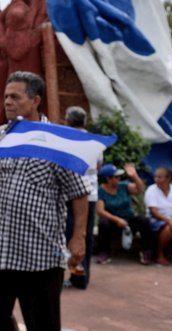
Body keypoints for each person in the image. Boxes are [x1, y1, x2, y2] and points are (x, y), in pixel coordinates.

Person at [0, 72, 89, 331]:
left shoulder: (55, 141)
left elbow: (79, 191)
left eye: (15, 97)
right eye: (6, 96)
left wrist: (79, 237)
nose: (7, 102)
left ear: (35, 101)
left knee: (43, 324)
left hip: (39, 256)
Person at [63, 105, 97, 289]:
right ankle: (82, 276)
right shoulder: (93, 140)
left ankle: (72, 273)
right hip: (91, 195)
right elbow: (98, 166)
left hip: (71, 195)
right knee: (86, 237)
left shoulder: (67, 140)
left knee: (68, 235)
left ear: (68, 120)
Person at [96, 163, 152, 265]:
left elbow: (139, 189)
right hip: (113, 223)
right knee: (103, 223)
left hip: (129, 220)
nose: (119, 178)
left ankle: (146, 251)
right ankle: (104, 253)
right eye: (116, 177)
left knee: (144, 220)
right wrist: (117, 220)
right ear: (108, 179)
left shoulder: (123, 186)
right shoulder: (101, 191)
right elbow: (100, 211)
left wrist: (134, 176)